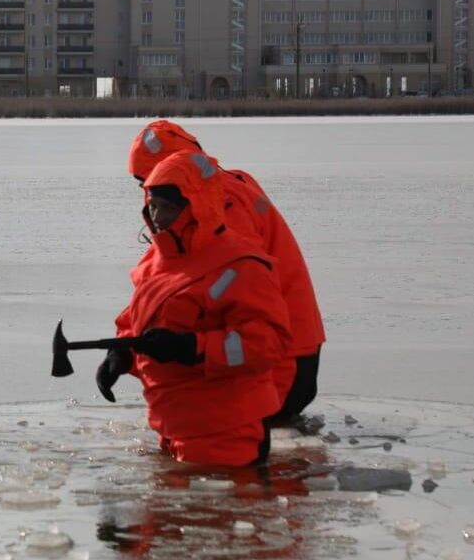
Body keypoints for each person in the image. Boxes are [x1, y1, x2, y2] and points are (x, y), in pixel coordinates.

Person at [98, 150, 292, 466]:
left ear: (196, 207)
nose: (158, 217)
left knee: (210, 512)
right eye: (153, 206)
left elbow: (267, 342)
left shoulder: (241, 264)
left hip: (226, 431)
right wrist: (121, 354)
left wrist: (194, 348)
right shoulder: (157, 261)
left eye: (168, 208)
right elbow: (139, 320)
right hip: (172, 422)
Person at [126, 120, 324, 425]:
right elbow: (158, 286)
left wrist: (187, 346)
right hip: (291, 345)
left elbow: (229, 293)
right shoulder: (221, 192)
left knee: (245, 436)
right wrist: (127, 346)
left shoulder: (218, 208)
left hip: (282, 356)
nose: (148, 197)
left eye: (151, 185)